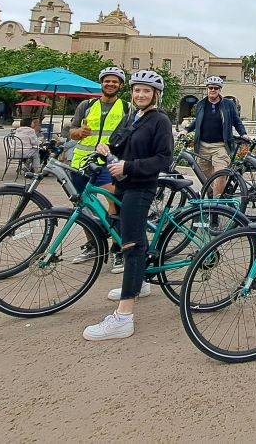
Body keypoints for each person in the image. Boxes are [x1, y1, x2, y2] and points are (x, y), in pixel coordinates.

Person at [83, 70, 174, 341]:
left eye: (146, 91)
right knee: (121, 231)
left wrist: (129, 166)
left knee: (132, 245)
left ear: (155, 95)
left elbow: (163, 159)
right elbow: (118, 145)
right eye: (137, 90)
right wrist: (104, 152)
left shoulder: (160, 121)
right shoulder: (131, 117)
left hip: (140, 187)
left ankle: (123, 318)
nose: (140, 94)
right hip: (122, 184)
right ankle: (141, 283)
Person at [69, 67, 129, 272]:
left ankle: (117, 247)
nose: (110, 84)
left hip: (108, 163)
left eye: (114, 82)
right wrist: (79, 132)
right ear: (101, 83)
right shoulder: (87, 105)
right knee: (83, 207)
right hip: (80, 164)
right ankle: (94, 243)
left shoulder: (126, 108)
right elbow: (72, 131)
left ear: (120, 85)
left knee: (115, 203)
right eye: (107, 81)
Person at [179, 75, 250, 184]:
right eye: (210, 88)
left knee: (220, 174)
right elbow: (197, 121)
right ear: (207, 89)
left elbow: (236, 121)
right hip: (202, 146)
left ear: (220, 90)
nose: (213, 90)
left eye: (216, 88)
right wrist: (186, 130)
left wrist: (243, 133)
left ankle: (217, 200)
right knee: (205, 177)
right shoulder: (200, 104)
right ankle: (214, 194)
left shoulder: (228, 104)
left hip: (220, 146)